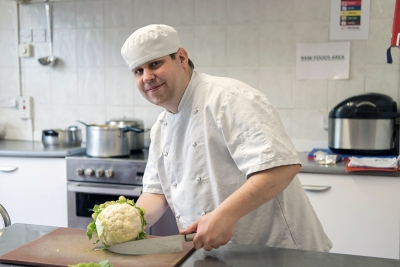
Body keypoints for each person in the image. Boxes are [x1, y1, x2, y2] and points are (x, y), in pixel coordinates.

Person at [121, 24, 332, 252]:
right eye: (138, 71)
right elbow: (156, 191)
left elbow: (282, 167)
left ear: (181, 58)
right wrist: (125, 225)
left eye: (155, 64)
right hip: (216, 254)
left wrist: (225, 215)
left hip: (277, 251)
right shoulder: (161, 127)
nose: (147, 77)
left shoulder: (229, 98)